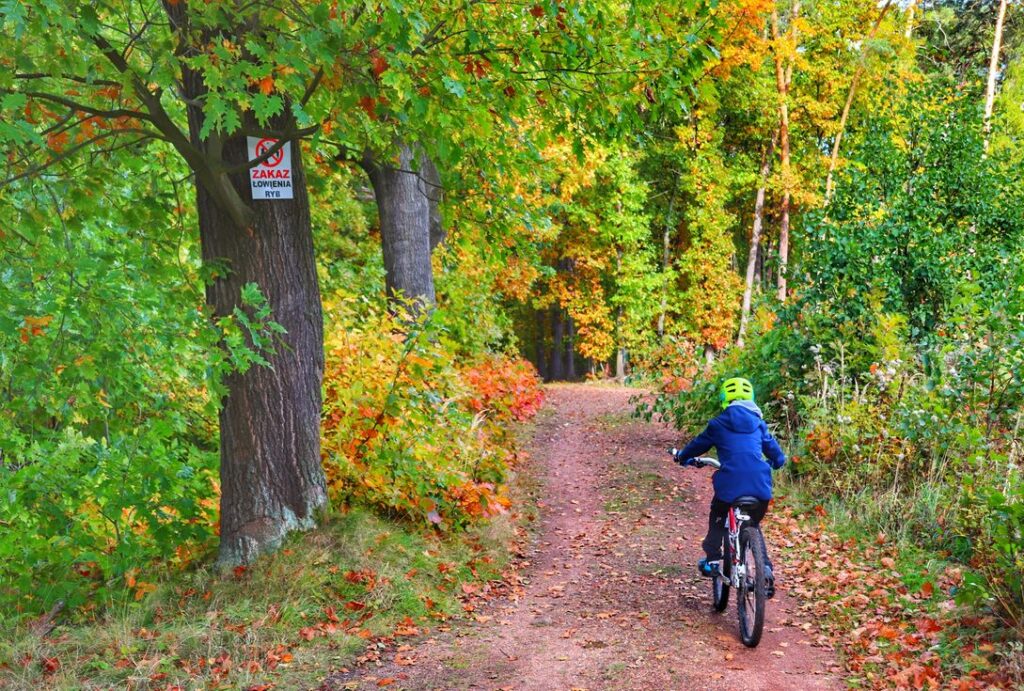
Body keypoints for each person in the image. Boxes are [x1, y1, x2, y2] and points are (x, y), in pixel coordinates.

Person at [673, 377, 785, 598]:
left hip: (730, 483)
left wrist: (683, 457)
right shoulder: (759, 424)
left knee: (718, 512)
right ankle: (766, 570)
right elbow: (778, 456)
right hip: (760, 485)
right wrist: (774, 463)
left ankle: (713, 559)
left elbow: (697, 445)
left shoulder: (718, 423)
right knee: (753, 525)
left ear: (725, 400)